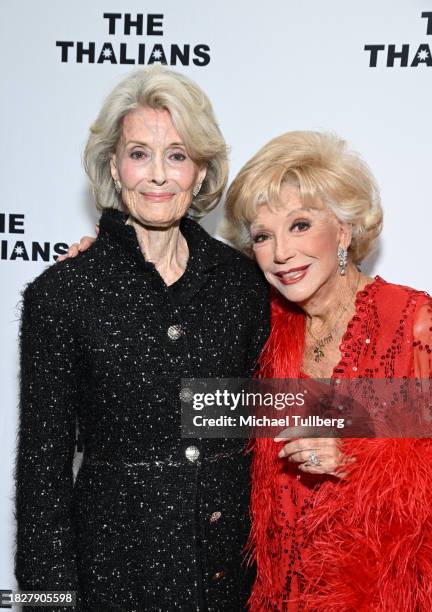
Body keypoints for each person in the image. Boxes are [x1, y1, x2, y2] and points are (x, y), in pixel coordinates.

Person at [15, 66, 270, 611]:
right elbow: (43, 477)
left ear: (200, 172)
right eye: (139, 153)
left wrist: (397, 404)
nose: (158, 175)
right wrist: (48, 604)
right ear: (113, 166)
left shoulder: (243, 284)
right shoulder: (62, 295)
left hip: (233, 581)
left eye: (177, 155)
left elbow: (281, 409)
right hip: (115, 579)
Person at [221, 130, 432, 611]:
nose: (281, 253)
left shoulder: (414, 322)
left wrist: (356, 460)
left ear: (343, 229)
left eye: (299, 225)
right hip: (276, 595)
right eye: (262, 236)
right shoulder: (261, 325)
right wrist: (108, 259)